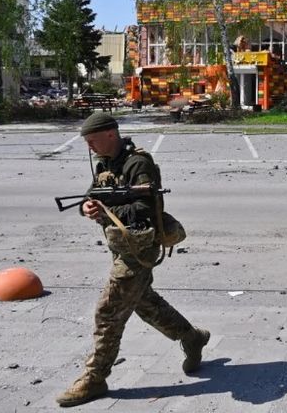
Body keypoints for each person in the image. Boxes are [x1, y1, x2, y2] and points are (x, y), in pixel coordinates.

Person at [56, 112, 209, 408]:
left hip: (140, 248)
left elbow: (146, 208)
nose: (89, 146)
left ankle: (95, 378)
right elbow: (92, 196)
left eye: (92, 140)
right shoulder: (105, 163)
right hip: (121, 246)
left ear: (110, 134)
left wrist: (106, 210)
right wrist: (87, 208)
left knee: (108, 311)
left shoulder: (138, 163)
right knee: (144, 302)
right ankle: (191, 337)